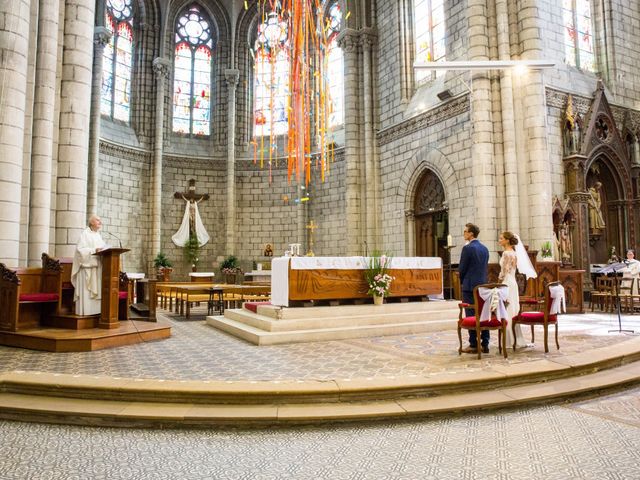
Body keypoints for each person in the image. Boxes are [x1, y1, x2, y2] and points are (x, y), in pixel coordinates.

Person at [498, 231, 537, 349]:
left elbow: (504, 271)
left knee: (507, 309)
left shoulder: (506, 253)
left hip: (507, 283)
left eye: (501, 238)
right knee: (512, 309)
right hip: (512, 283)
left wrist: (498, 282)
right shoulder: (514, 253)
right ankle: (515, 338)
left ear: (507, 240)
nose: (499, 240)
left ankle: (509, 340)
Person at [458, 223, 490, 354]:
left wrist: (462, 281)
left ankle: (473, 344)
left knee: (471, 314)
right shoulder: (484, 248)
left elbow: (462, 268)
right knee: (483, 313)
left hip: (470, 286)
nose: (464, 233)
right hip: (483, 284)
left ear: (471, 233)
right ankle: (485, 343)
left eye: (465, 231)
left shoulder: (468, 248)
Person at [71, 214, 107, 316]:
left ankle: (96, 312)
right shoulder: (85, 234)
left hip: (96, 268)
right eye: (98, 220)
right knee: (87, 291)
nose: (100, 222)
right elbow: (80, 250)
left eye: (100, 220)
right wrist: (94, 250)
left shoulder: (98, 235)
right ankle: (85, 312)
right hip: (87, 268)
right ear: (91, 222)